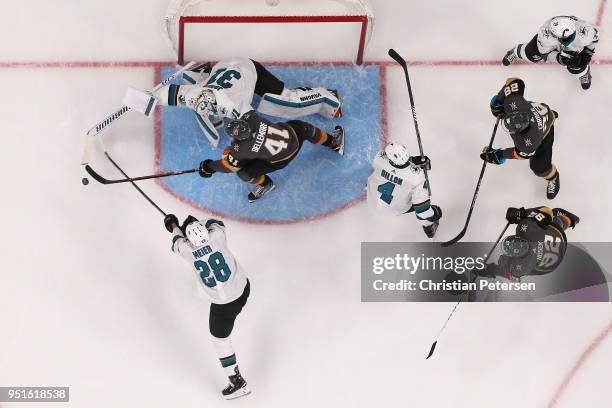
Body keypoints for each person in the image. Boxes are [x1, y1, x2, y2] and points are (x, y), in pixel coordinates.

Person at [153, 58, 342, 146]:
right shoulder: (192, 94)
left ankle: (326, 98)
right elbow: (160, 95)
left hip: (251, 70)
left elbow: (260, 126)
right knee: (208, 104)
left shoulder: (234, 105)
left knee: (287, 104)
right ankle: (204, 73)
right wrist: (142, 100)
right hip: (227, 64)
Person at [163, 213, 251, 400]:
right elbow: (215, 222)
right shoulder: (218, 236)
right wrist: (197, 223)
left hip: (223, 305)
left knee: (220, 341)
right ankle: (235, 381)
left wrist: (174, 225)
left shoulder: (186, 250)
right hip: (243, 289)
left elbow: (176, 240)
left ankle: (237, 382)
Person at [197, 110, 345, 202]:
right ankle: (334, 142)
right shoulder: (252, 117)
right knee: (305, 129)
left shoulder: (241, 149)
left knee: (243, 172)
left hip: (282, 159)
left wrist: (209, 167)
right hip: (292, 134)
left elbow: (227, 166)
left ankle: (265, 184)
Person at [483, 77, 560, 199]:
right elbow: (516, 82)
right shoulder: (513, 102)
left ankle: (553, 177)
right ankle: (550, 114)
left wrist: (500, 155)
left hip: (544, 130)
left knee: (540, 168)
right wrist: (498, 100)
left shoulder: (530, 142)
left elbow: (518, 154)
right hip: (539, 110)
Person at [481, 206, 579, 281]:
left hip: (551, 265)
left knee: (505, 262)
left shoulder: (522, 266)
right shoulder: (526, 227)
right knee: (554, 221)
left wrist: (488, 270)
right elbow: (545, 210)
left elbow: (514, 278)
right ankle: (570, 219)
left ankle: (566, 220)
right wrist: (519, 214)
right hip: (558, 237)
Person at [366, 142, 442, 238]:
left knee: (374, 175)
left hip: (372, 200)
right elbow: (422, 211)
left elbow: (390, 162)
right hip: (394, 209)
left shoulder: (378, 158)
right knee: (423, 206)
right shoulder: (416, 176)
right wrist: (435, 213)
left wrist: (413, 160)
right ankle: (429, 228)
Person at [502, 16, 600, 89]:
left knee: (577, 62)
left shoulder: (586, 31)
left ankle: (583, 73)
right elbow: (544, 55)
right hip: (549, 45)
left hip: (573, 46)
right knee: (531, 55)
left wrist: (588, 53)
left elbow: (594, 40)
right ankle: (515, 52)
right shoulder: (546, 35)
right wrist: (559, 58)